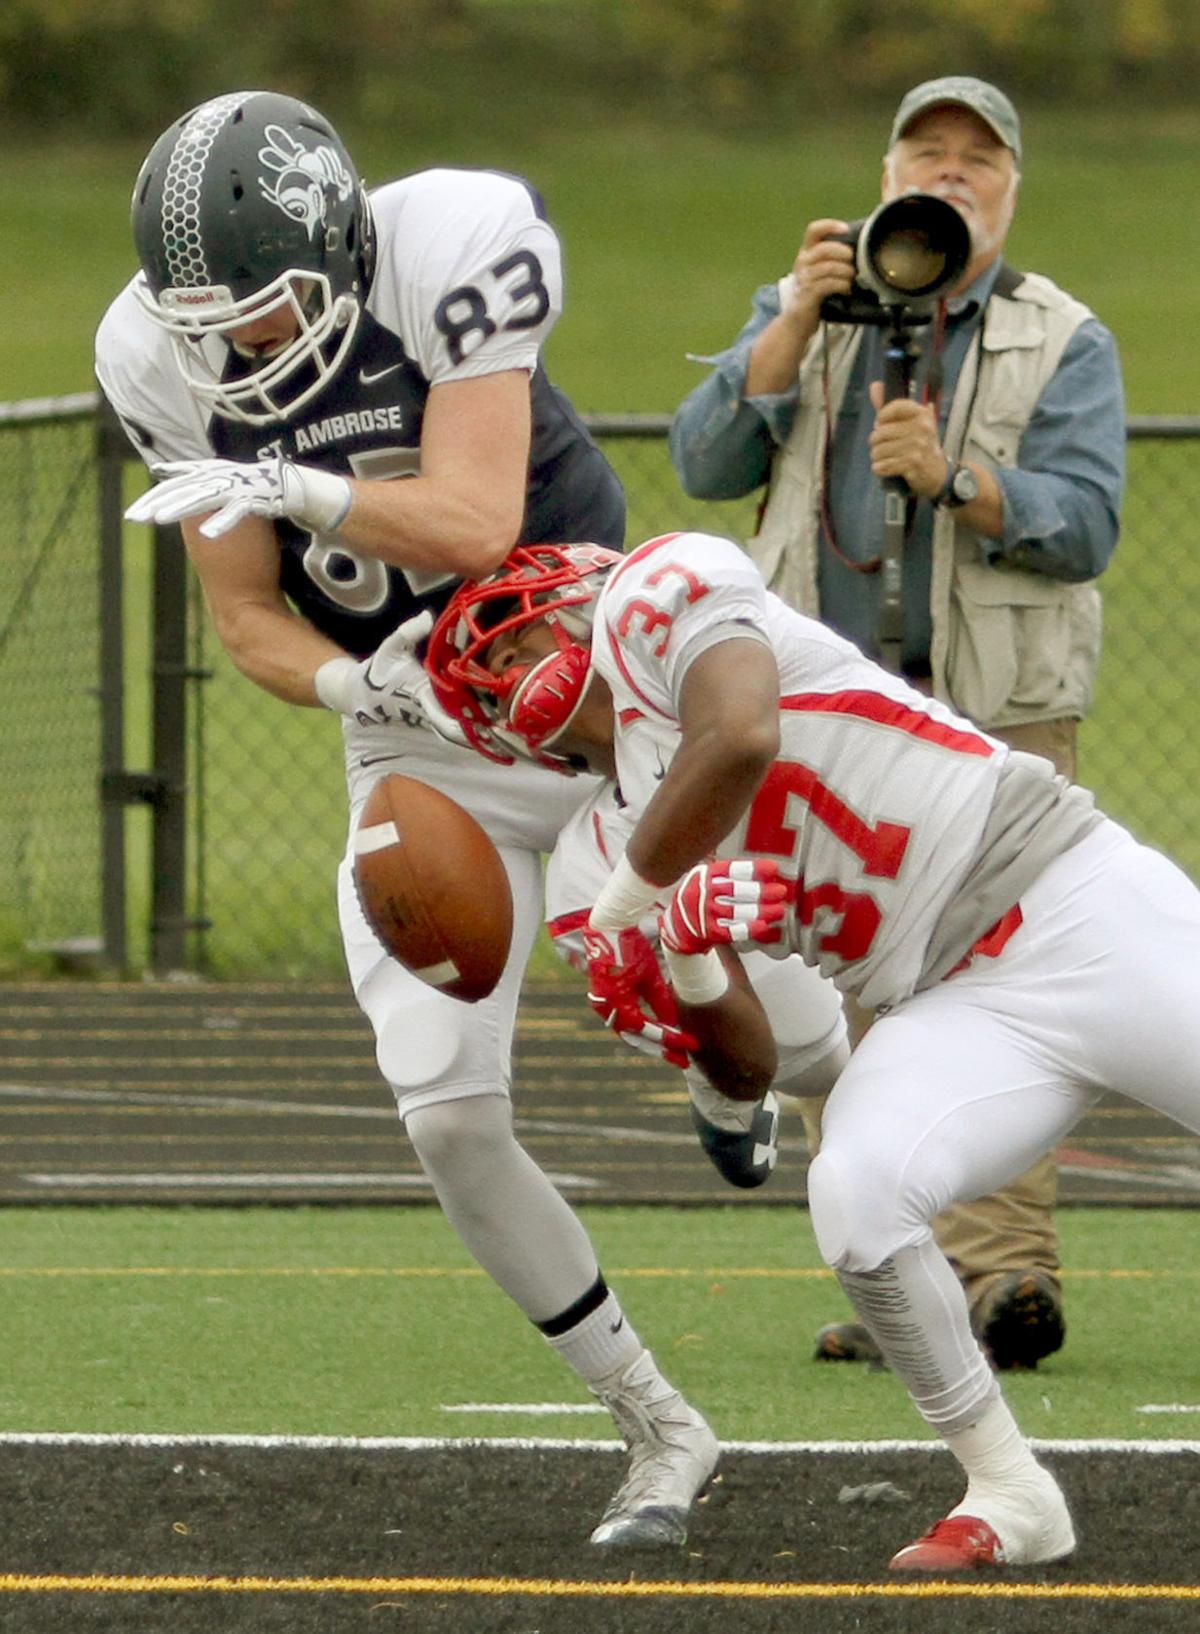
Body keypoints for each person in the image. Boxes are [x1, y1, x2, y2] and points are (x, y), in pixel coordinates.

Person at [95, 88, 720, 1549]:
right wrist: (360, 682)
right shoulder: (152, 352)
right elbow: (248, 614)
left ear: (335, 242)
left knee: (783, 1023)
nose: (233, 351)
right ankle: (656, 1421)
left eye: (262, 312)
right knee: (444, 1114)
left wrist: (292, 478)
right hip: (416, 727)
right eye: (205, 324)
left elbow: (475, 518)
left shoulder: (451, 236)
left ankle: (722, 1053)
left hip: (576, 674)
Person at [423, 528, 1200, 1570]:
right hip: (949, 1000)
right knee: (857, 1194)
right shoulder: (588, 862)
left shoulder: (659, 591)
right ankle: (1011, 1490)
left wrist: (641, 901)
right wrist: (694, 958)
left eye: (513, 647)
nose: (515, 678)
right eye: (496, 680)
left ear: (576, 598)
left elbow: (737, 735)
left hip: (1065, 896)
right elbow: (744, 1067)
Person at [667, 75, 1127, 1370]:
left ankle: (1008, 1277)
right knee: (852, 1000)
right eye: (928, 150)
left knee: (1011, 994)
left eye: (979, 159)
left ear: (1012, 189)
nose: (951, 172)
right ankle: (900, 1280)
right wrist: (785, 328)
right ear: (884, 174)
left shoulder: (1061, 336)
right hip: (832, 720)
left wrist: (959, 480)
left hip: (997, 720)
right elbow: (703, 466)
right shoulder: (810, 308)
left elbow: (1088, 519)